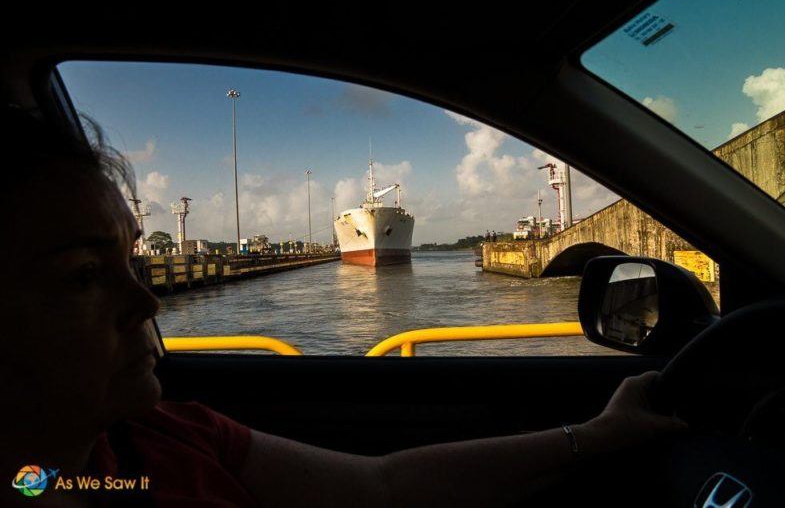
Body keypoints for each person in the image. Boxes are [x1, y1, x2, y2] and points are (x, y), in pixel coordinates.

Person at [0, 108, 686, 507]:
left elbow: (383, 485)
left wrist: (594, 437)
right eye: (87, 275)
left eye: (135, 263)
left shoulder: (172, 435)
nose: (148, 300)